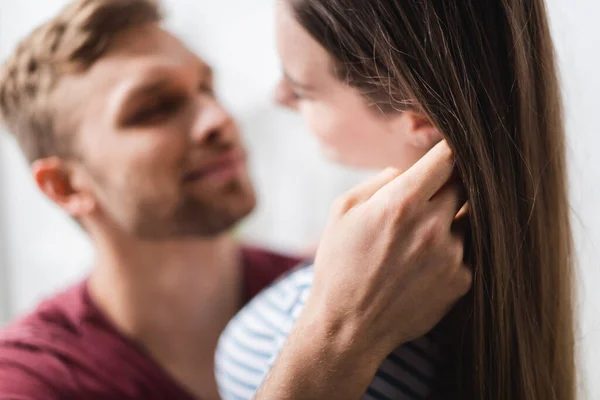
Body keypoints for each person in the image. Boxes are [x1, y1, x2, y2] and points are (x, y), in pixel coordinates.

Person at [0, 0, 471, 399]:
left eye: (207, 87)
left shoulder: (360, 282)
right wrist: (339, 342)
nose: (217, 118)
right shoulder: (28, 379)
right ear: (65, 186)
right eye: (153, 108)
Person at [216, 0, 576, 400]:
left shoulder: (307, 345)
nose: (280, 96)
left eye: (301, 88)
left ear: (416, 113)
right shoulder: (514, 283)